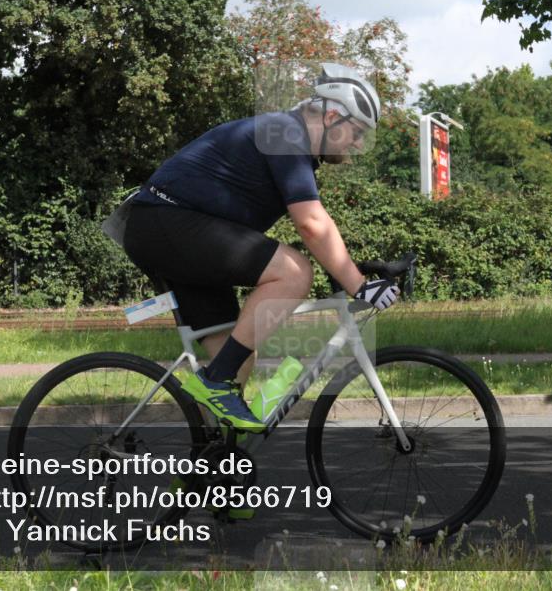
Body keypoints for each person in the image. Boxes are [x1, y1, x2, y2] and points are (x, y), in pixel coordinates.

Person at [121, 63, 399, 434]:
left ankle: (210, 470)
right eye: (357, 132)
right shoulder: (284, 134)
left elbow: (316, 227)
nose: (358, 145)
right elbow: (312, 225)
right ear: (333, 116)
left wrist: (352, 268)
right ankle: (214, 382)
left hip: (173, 229)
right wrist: (359, 285)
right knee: (295, 271)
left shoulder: (287, 140)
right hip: (165, 223)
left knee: (238, 360)